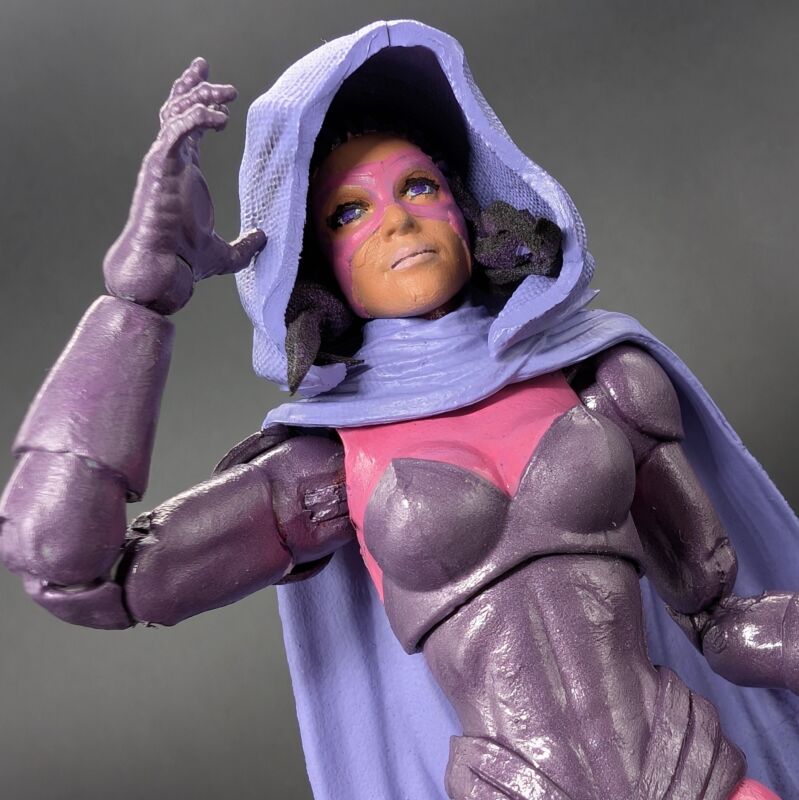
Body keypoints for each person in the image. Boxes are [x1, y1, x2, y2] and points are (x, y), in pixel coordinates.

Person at [1, 19, 797, 800]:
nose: (397, 220)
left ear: (467, 209)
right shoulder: (324, 467)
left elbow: (722, 621)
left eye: (418, 187)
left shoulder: (606, 384)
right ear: (316, 263)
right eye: (348, 213)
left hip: (690, 770)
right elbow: (79, 574)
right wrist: (138, 302)